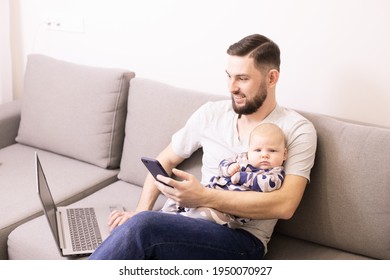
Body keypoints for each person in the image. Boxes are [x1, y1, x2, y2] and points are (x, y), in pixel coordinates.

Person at [89, 34, 317, 260]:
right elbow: (165, 160)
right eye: (229, 77)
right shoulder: (211, 113)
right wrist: (141, 209)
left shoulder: (297, 129)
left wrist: (203, 197)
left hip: (240, 239)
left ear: (271, 78)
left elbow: (286, 205)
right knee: (140, 227)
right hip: (182, 220)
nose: (232, 87)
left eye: (242, 78)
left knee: (143, 228)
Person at [161, 122, 287, 226]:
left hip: (227, 212)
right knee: (180, 189)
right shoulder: (242, 158)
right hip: (209, 189)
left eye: (272, 150)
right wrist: (229, 168)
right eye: (258, 150)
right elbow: (223, 164)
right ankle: (165, 214)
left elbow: (267, 184)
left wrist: (240, 177)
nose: (264, 154)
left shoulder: (275, 173)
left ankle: (180, 219)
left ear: (284, 154)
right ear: (249, 151)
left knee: (203, 215)